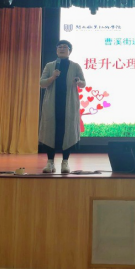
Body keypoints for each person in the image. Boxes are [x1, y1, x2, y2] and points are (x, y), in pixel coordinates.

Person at [39, 40, 86, 173]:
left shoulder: (75, 66)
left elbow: (83, 83)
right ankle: (50, 162)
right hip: (52, 105)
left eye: (65, 47)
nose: (62, 49)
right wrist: (53, 77)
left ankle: (65, 162)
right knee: (49, 133)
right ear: (56, 50)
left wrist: (78, 81)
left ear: (70, 51)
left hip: (69, 105)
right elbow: (42, 83)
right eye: (59, 47)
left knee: (68, 133)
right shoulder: (50, 66)